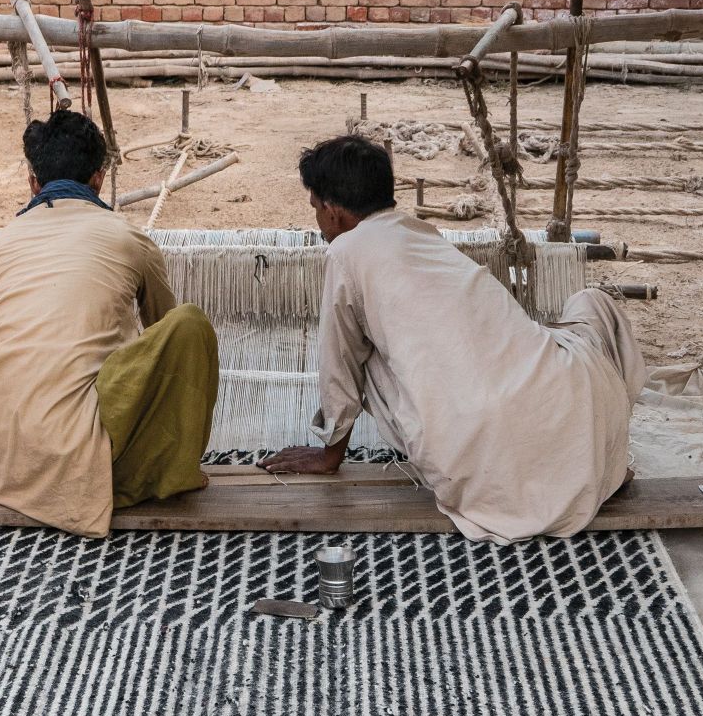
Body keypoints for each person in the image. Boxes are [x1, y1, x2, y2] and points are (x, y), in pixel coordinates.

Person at [263, 135, 645, 542]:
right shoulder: (422, 234)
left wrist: (330, 455)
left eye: (316, 211)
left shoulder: (346, 252)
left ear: (332, 210)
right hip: (573, 405)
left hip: (480, 456)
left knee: (364, 351)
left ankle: (558, 469)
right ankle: (602, 463)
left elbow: (338, 362)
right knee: (591, 302)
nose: (319, 224)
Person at [0, 110, 218, 537]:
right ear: (98, 179)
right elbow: (163, 331)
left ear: (33, 183)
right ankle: (161, 473)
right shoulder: (128, 238)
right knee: (188, 325)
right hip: (71, 453)